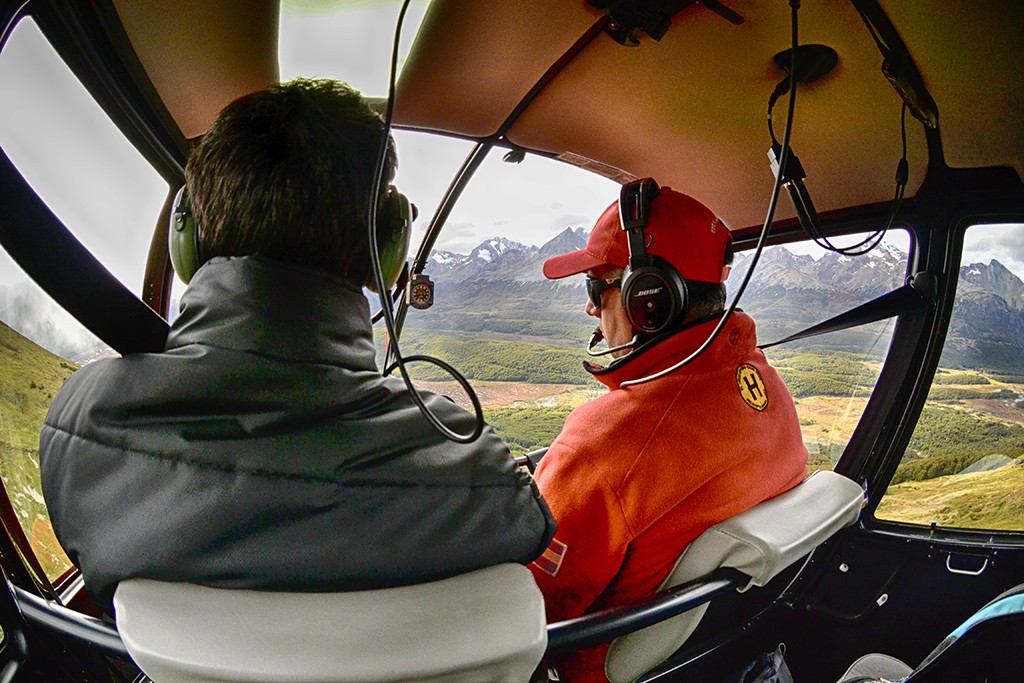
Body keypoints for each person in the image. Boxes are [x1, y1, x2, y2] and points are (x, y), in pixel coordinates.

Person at [39, 78, 556, 611]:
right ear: (387, 245)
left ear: (185, 241)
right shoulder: (474, 474)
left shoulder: (78, 424)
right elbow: (531, 527)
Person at [530, 182, 809, 681]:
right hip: (734, 658)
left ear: (648, 299)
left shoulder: (603, 445)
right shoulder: (761, 380)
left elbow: (528, 606)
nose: (592, 308)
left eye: (597, 285)